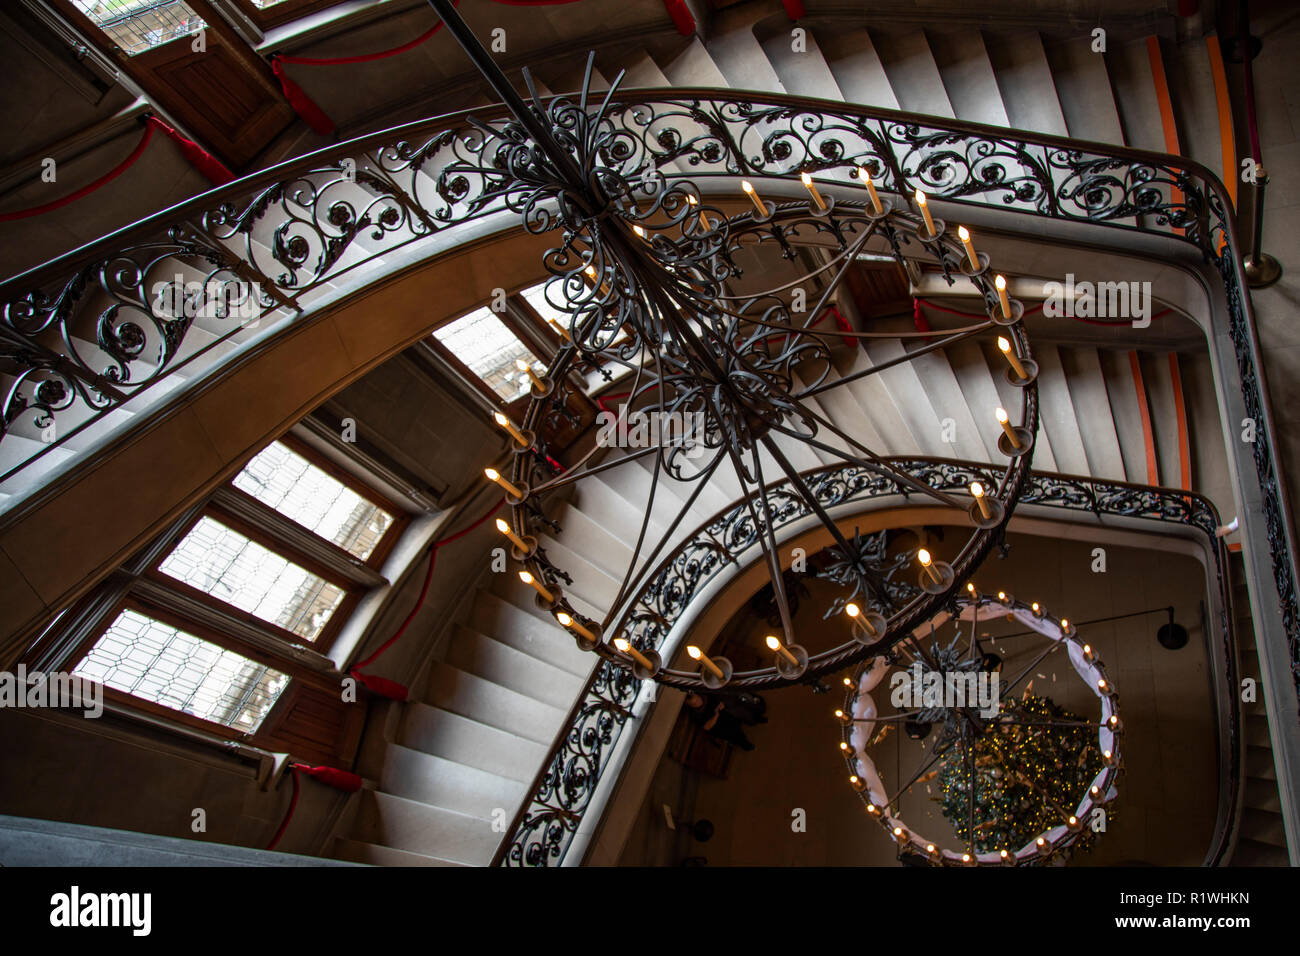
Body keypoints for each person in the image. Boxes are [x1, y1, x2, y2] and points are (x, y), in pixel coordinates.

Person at [683, 691, 755, 751]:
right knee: (734, 734)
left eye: (698, 699)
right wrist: (716, 715)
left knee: (736, 726)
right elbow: (707, 727)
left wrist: (721, 705)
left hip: (725, 716)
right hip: (718, 728)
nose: (698, 702)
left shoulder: (706, 696)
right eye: (695, 703)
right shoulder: (696, 714)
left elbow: (718, 701)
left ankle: (740, 738)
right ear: (691, 706)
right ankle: (746, 745)